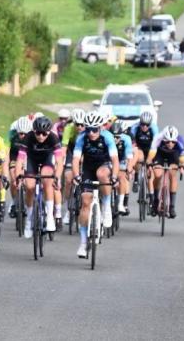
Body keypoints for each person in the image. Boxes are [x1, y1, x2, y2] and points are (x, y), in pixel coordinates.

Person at [72, 111, 119, 259]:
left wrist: (115, 177)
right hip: (88, 168)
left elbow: (115, 160)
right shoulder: (81, 138)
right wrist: (76, 176)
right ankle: (84, 243)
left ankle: (106, 207)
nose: (91, 133)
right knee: (85, 202)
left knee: (102, 174)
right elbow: (75, 160)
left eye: (95, 129)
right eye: (88, 129)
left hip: (104, 165)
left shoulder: (107, 137)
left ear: (101, 128)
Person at [14, 116, 63, 238]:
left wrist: (57, 176)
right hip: (32, 160)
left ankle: (50, 217)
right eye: (38, 133)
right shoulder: (28, 137)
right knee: (29, 186)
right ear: (34, 131)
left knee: (47, 179)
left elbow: (59, 162)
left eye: (44, 133)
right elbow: (19, 161)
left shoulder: (53, 138)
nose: (41, 136)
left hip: (47, 160)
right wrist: (18, 176)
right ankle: (29, 220)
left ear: (49, 132)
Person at [146, 125, 184, 218]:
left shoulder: (180, 141)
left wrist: (182, 166)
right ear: (163, 138)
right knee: (157, 174)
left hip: (173, 156)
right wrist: (149, 164)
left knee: (173, 174)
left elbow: (183, 159)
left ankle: (172, 207)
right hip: (159, 154)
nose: (170, 144)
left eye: (173, 142)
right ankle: (156, 201)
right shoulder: (158, 139)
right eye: (167, 141)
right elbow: (150, 156)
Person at [61, 108, 86, 225]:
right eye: (77, 124)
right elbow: (64, 148)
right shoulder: (68, 128)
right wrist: (61, 161)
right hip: (72, 151)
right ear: (74, 123)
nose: (80, 127)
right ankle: (68, 208)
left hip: (85, 151)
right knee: (68, 178)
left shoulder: (89, 131)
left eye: (82, 125)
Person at [130, 111, 159, 200]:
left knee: (150, 171)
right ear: (140, 123)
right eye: (142, 124)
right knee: (139, 157)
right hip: (139, 148)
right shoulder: (134, 128)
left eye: (147, 125)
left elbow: (156, 144)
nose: (144, 127)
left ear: (150, 124)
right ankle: (136, 179)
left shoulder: (154, 128)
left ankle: (151, 193)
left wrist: (151, 159)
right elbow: (132, 144)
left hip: (150, 149)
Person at [8, 116, 32, 219]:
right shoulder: (13, 138)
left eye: (25, 134)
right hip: (16, 156)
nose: (23, 136)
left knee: (28, 181)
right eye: (21, 133)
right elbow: (10, 156)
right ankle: (14, 202)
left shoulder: (33, 138)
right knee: (14, 180)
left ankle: (28, 203)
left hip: (29, 157)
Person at [110, 120, 134, 215]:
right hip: (109, 160)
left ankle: (120, 203)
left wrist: (129, 167)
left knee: (122, 177)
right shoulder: (107, 138)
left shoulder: (126, 139)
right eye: (113, 137)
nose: (115, 139)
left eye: (117, 137)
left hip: (121, 160)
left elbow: (129, 157)